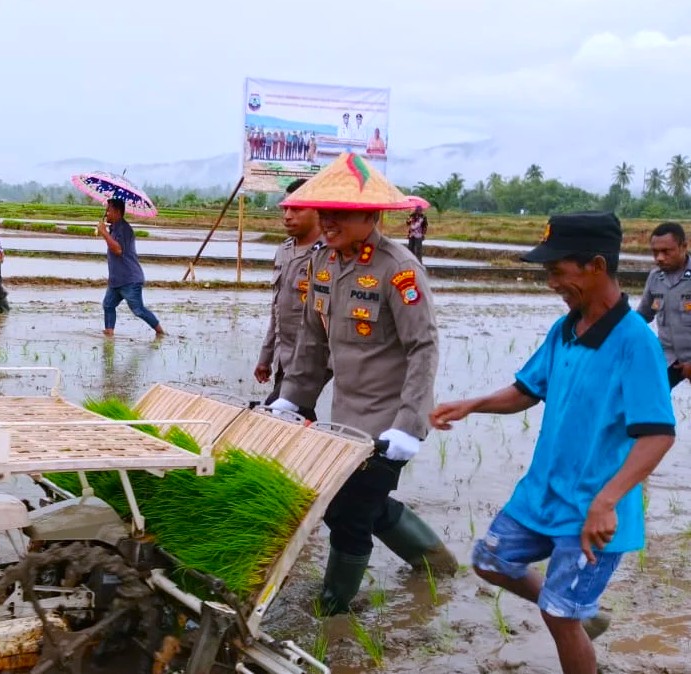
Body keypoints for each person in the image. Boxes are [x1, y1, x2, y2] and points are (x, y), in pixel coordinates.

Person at [430, 212, 675, 674]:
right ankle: (581, 613)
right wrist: (474, 403)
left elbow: (658, 435)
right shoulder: (565, 327)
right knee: (489, 559)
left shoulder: (635, 343)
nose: (551, 283)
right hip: (543, 494)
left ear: (595, 265)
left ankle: (572, 614)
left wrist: (607, 501)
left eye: (558, 271)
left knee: (557, 616)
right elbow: (527, 389)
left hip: (593, 512)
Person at [270, 153, 457, 616]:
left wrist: (409, 426)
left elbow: (423, 349)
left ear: (371, 216)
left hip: (388, 423)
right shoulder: (323, 266)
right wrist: (291, 399)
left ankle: (332, 608)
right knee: (357, 506)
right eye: (326, 212)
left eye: (342, 214)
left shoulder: (399, 268)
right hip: (344, 419)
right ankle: (437, 564)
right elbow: (312, 346)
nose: (330, 222)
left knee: (348, 515)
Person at [254, 178, 324, 421]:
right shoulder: (284, 250)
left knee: (277, 412)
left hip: (313, 359)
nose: (287, 215)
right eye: (285, 208)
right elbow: (277, 309)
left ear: (317, 210)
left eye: (296, 208)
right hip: (285, 355)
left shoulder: (331, 253)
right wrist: (266, 356)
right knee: (294, 418)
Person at [636, 222, 691, 388]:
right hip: (669, 357)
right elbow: (642, 316)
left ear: (684, 246)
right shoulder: (655, 278)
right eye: (655, 252)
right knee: (647, 395)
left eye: (666, 252)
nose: (659, 257)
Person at [99, 198, 164, 337]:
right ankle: (109, 334)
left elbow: (118, 250)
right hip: (116, 280)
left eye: (108, 210)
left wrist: (103, 233)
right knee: (108, 305)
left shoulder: (124, 229)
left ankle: (160, 332)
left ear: (117, 212)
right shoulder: (114, 229)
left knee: (138, 310)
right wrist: (106, 232)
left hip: (129, 280)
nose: (106, 214)